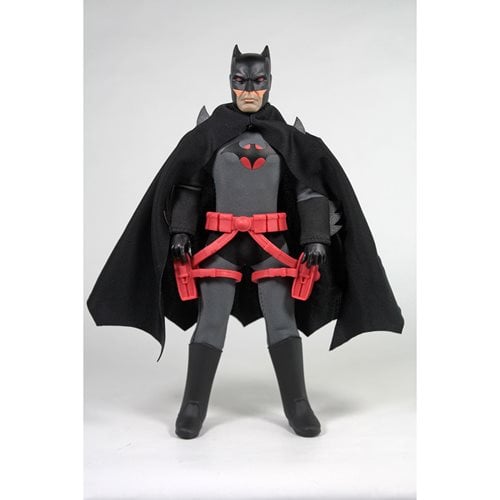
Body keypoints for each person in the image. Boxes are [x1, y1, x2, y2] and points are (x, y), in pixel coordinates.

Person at [88, 45, 404, 440]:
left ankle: (298, 404)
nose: (250, 91)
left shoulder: (288, 138)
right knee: (211, 320)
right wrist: (182, 231)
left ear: (269, 82)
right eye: (241, 82)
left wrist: (315, 238)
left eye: (258, 82)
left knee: (282, 320)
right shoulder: (209, 134)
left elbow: (309, 189)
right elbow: (188, 186)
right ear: (230, 82)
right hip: (219, 245)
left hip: (273, 246)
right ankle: (193, 405)